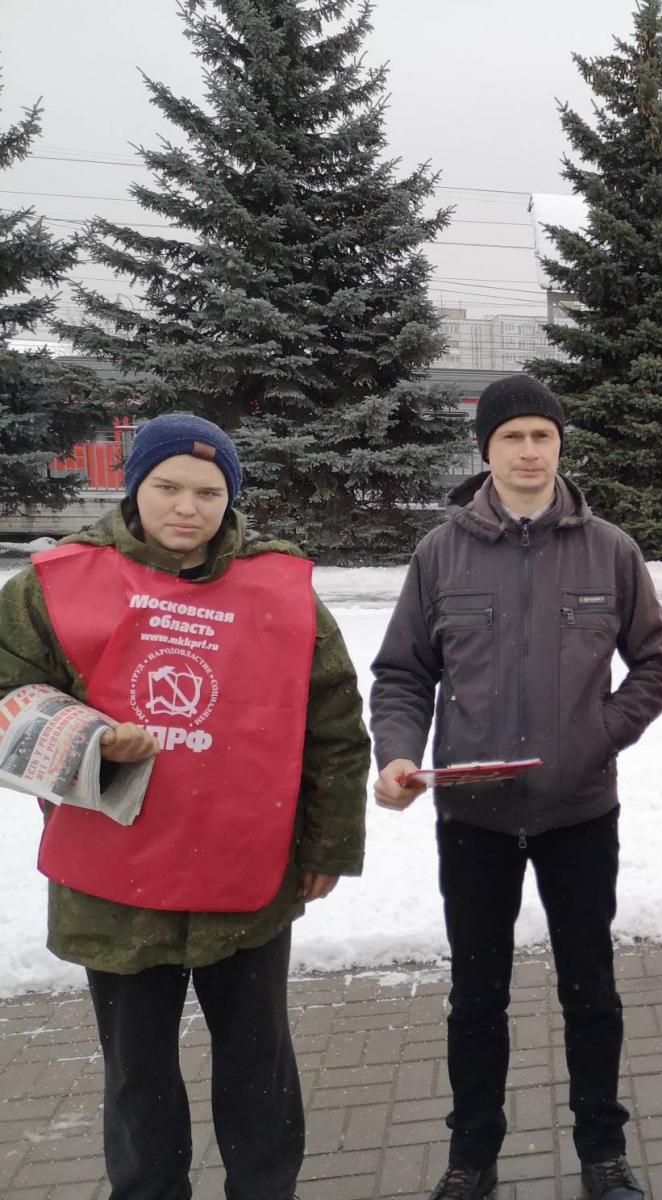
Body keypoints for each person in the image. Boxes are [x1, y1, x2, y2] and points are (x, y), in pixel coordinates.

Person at [0, 413, 370, 1200]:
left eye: (208, 492)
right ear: (135, 485)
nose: (186, 507)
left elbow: (334, 726)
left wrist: (328, 845)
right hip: (114, 886)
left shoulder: (280, 591)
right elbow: (7, 701)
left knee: (258, 1066)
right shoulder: (53, 587)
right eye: (168, 486)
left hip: (247, 874)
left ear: (230, 498)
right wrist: (91, 742)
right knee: (138, 1076)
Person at [370, 373, 662, 1200]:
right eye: (511, 436)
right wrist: (396, 754)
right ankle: (472, 1156)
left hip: (578, 813)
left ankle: (603, 1152)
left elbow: (659, 662)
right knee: (477, 998)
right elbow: (403, 673)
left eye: (543, 435)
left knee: (591, 992)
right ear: (487, 450)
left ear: (560, 445)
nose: (529, 450)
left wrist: (597, 736)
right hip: (472, 819)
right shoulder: (441, 553)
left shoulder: (609, 549)